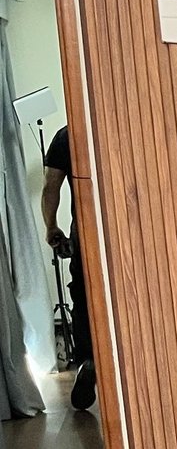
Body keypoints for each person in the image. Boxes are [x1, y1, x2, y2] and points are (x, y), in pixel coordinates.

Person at [40, 126, 95, 411]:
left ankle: (89, 359)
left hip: (86, 233)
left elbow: (51, 186)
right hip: (132, 229)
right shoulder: (124, 122)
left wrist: (52, 227)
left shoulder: (66, 135)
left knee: (84, 299)